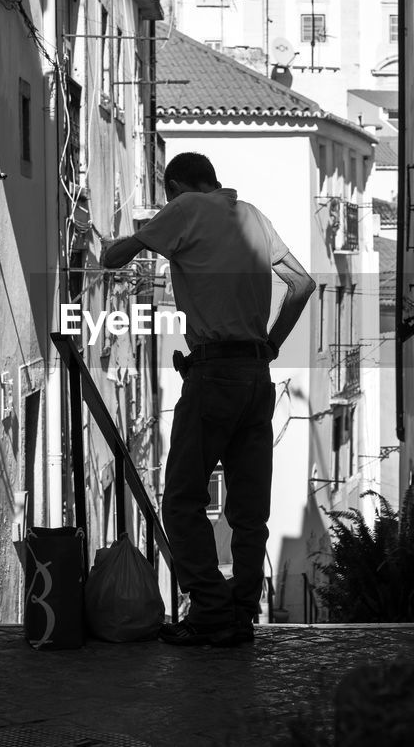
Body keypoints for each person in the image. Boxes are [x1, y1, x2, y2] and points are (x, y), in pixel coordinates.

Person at [101, 152, 314, 646]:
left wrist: (131, 238)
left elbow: (113, 259)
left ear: (177, 185)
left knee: (181, 500)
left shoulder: (186, 207)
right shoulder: (253, 217)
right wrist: (272, 342)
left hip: (213, 375)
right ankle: (241, 613)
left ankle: (211, 609)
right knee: (248, 509)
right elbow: (302, 284)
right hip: (257, 378)